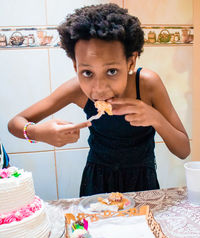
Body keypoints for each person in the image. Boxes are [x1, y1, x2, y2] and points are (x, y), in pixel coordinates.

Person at [8, 3, 190, 197]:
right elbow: (15, 123)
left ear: (131, 61)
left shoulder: (147, 85)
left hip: (143, 183)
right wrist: (37, 132)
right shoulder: (76, 89)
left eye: (111, 71)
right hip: (96, 184)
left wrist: (155, 118)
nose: (99, 88)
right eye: (87, 72)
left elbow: (183, 150)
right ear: (75, 65)